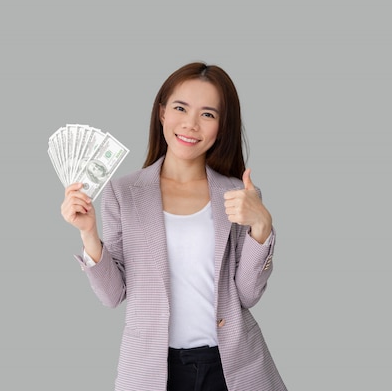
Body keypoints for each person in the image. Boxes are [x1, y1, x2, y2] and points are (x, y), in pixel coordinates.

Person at [61, 62, 287, 391]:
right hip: (153, 369)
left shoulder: (239, 195)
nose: (191, 124)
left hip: (230, 366)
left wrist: (262, 228)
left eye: (208, 114)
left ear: (222, 127)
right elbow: (113, 296)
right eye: (181, 108)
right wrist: (88, 233)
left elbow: (248, 295)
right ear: (162, 113)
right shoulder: (123, 192)